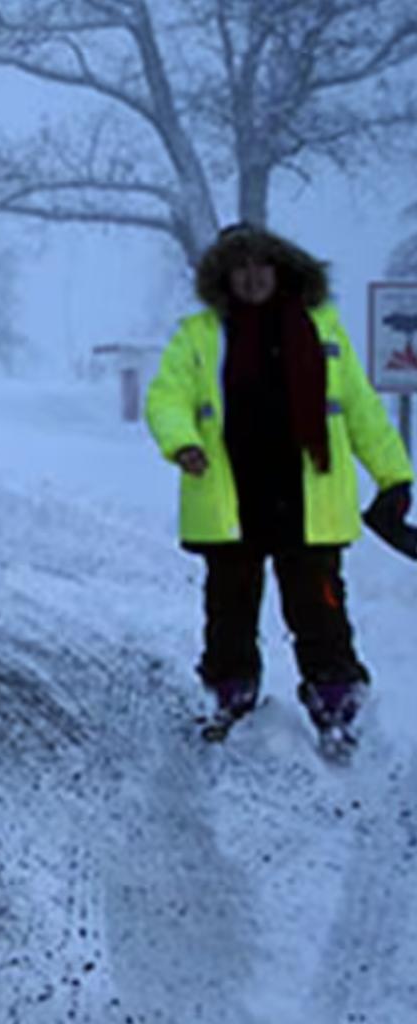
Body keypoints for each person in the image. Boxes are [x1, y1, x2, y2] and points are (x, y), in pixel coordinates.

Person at [144, 222, 414, 736]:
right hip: (230, 496)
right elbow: (166, 397)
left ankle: (334, 692)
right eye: (238, 266)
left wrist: (394, 476)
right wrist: (183, 442)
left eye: (260, 264)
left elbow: (361, 410)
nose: (251, 276)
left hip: (307, 496)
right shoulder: (199, 335)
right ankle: (231, 688)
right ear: (223, 276)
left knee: (318, 606)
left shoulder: (321, 329)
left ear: (280, 269)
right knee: (229, 607)